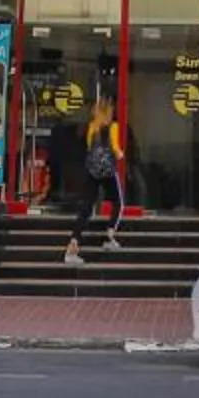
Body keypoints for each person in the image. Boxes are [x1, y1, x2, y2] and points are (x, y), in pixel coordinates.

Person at [62, 88, 126, 265]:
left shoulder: (91, 127)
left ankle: (73, 245)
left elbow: (90, 147)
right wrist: (120, 154)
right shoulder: (113, 127)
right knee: (118, 202)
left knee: (86, 208)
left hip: (92, 171)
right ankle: (110, 236)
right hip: (107, 171)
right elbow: (114, 146)